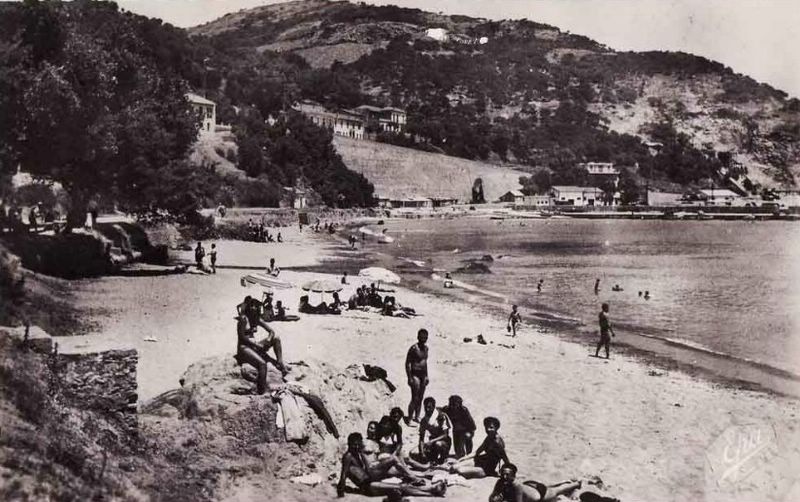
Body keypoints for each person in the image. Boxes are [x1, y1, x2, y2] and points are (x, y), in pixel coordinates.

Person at [336, 432, 446, 498]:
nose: (355, 447)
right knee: (400, 487)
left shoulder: (357, 453)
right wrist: (340, 492)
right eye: (353, 445)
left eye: (357, 445)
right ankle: (431, 491)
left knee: (400, 487)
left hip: (370, 482)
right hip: (368, 487)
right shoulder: (348, 456)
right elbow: (343, 475)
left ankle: (430, 489)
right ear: (349, 443)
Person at [439, 416, 509, 479]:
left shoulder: (498, 442)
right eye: (486, 427)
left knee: (460, 470)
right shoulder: (489, 437)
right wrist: (463, 459)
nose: (488, 429)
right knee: (454, 467)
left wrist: (506, 471)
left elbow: (505, 459)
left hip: (487, 469)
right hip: (481, 460)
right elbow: (477, 452)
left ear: (496, 428)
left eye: (491, 427)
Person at [236, 296, 289, 375]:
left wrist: (268, 339)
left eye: (256, 306)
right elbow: (242, 337)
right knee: (262, 364)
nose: (253, 308)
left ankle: (280, 361)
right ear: (248, 307)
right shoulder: (243, 319)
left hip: (254, 347)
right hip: (244, 348)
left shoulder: (257, 319)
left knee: (276, 338)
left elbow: (271, 331)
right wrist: (256, 344)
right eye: (251, 306)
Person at [488, 463, 591, 502]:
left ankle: (577, 484)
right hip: (529, 485)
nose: (504, 477)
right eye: (503, 474)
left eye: (508, 474)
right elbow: (491, 497)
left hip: (539, 493)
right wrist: (494, 498)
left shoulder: (516, 485)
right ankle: (564, 481)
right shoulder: (500, 482)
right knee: (552, 487)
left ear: (513, 475)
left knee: (557, 491)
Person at [405, 329, 429, 424]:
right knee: (414, 397)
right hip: (415, 374)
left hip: (423, 375)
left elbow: (425, 363)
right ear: (418, 337)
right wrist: (409, 377)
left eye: (425, 338)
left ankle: (417, 416)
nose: (423, 339)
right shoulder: (414, 349)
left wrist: (427, 375)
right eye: (422, 337)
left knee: (421, 397)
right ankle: (410, 418)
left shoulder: (426, 349)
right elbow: (408, 363)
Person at [418, 397, 452, 465]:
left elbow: (445, 435)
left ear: (433, 407)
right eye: (425, 407)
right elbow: (421, 437)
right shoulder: (424, 420)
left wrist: (432, 441)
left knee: (438, 444)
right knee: (416, 453)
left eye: (429, 407)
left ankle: (443, 457)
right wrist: (422, 452)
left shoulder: (441, 416)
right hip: (432, 440)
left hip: (444, 441)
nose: (427, 409)